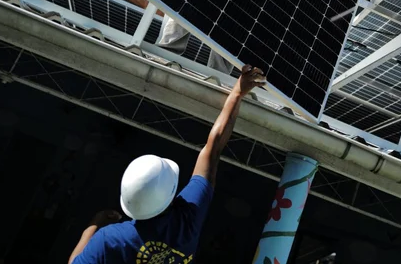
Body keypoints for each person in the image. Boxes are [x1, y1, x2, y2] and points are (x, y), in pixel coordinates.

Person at [68, 65, 266, 264]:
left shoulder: (109, 240)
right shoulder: (186, 219)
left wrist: (94, 225)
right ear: (170, 195)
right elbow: (213, 148)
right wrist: (238, 92)